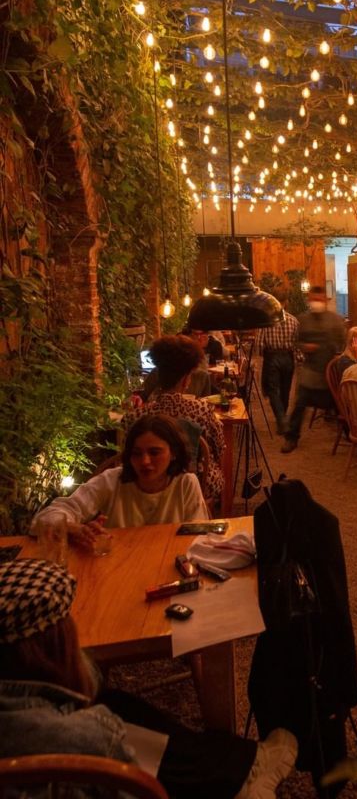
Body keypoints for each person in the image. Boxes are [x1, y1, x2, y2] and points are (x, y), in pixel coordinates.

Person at [0, 558, 297, 799]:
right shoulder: (92, 737)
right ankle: (237, 779)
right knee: (115, 720)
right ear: (52, 646)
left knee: (116, 703)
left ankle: (237, 765)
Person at [30, 415, 208, 545]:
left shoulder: (186, 483)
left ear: (174, 453)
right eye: (136, 453)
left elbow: (199, 537)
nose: (145, 461)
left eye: (154, 452)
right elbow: (43, 520)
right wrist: (72, 528)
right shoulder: (112, 480)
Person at [122, 335, 224, 504]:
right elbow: (219, 449)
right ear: (186, 380)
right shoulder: (202, 411)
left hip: (147, 484)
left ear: (158, 376)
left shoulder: (134, 418)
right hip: (196, 485)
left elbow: (127, 457)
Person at [281, 286, 346, 454]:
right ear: (309, 300)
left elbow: (343, 342)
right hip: (310, 372)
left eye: (319, 299)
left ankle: (351, 433)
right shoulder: (303, 320)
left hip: (331, 372)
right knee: (299, 404)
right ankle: (291, 437)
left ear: (325, 300)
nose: (317, 302)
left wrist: (337, 355)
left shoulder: (335, 320)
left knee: (341, 404)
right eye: (314, 299)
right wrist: (305, 347)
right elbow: (295, 342)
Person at [258, 291, 301, 436]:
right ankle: (283, 419)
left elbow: (259, 344)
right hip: (288, 357)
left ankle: (281, 419)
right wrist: (299, 358)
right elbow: (297, 344)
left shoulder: (266, 321)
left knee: (272, 390)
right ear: (286, 302)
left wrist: (262, 354)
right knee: (285, 389)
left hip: (272, 357)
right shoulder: (294, 321)